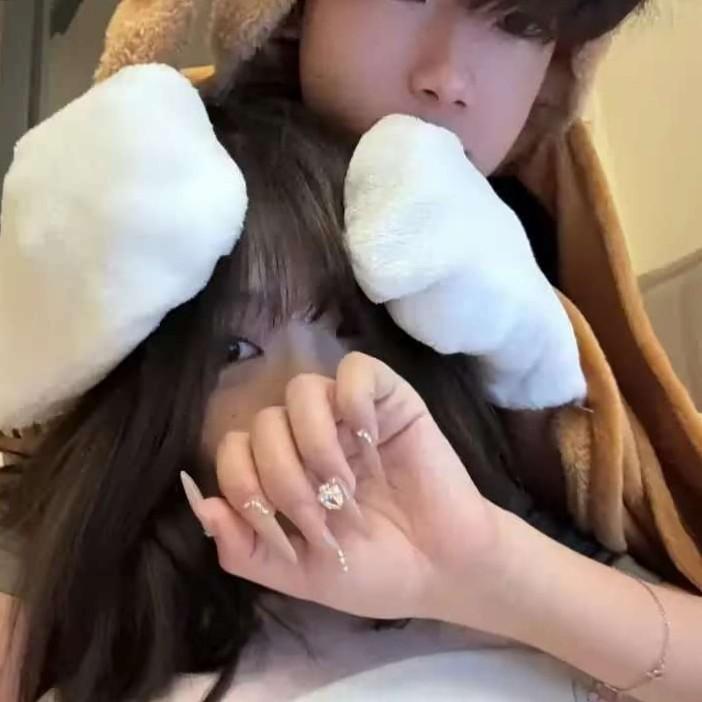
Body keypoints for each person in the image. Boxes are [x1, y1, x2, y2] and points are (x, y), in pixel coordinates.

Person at [0, 93, 616, 702]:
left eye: (351, 328)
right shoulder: (89, 634)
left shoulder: (534, 562)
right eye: (233, 351)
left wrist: (490, 567)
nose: (317, 390)